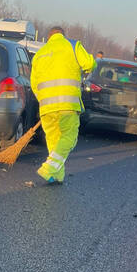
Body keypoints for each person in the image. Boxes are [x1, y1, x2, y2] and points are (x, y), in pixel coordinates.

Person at [31, 26, 96, 184]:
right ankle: (49, 168)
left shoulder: (39, 54)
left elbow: (34, 84)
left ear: (49, 37)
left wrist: (45, 100)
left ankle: (56, 175)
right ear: (63, 35)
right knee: (69, 138)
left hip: (46, 107)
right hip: (67, 105)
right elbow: (89, 64)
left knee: (54, 141)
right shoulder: (72, 45)